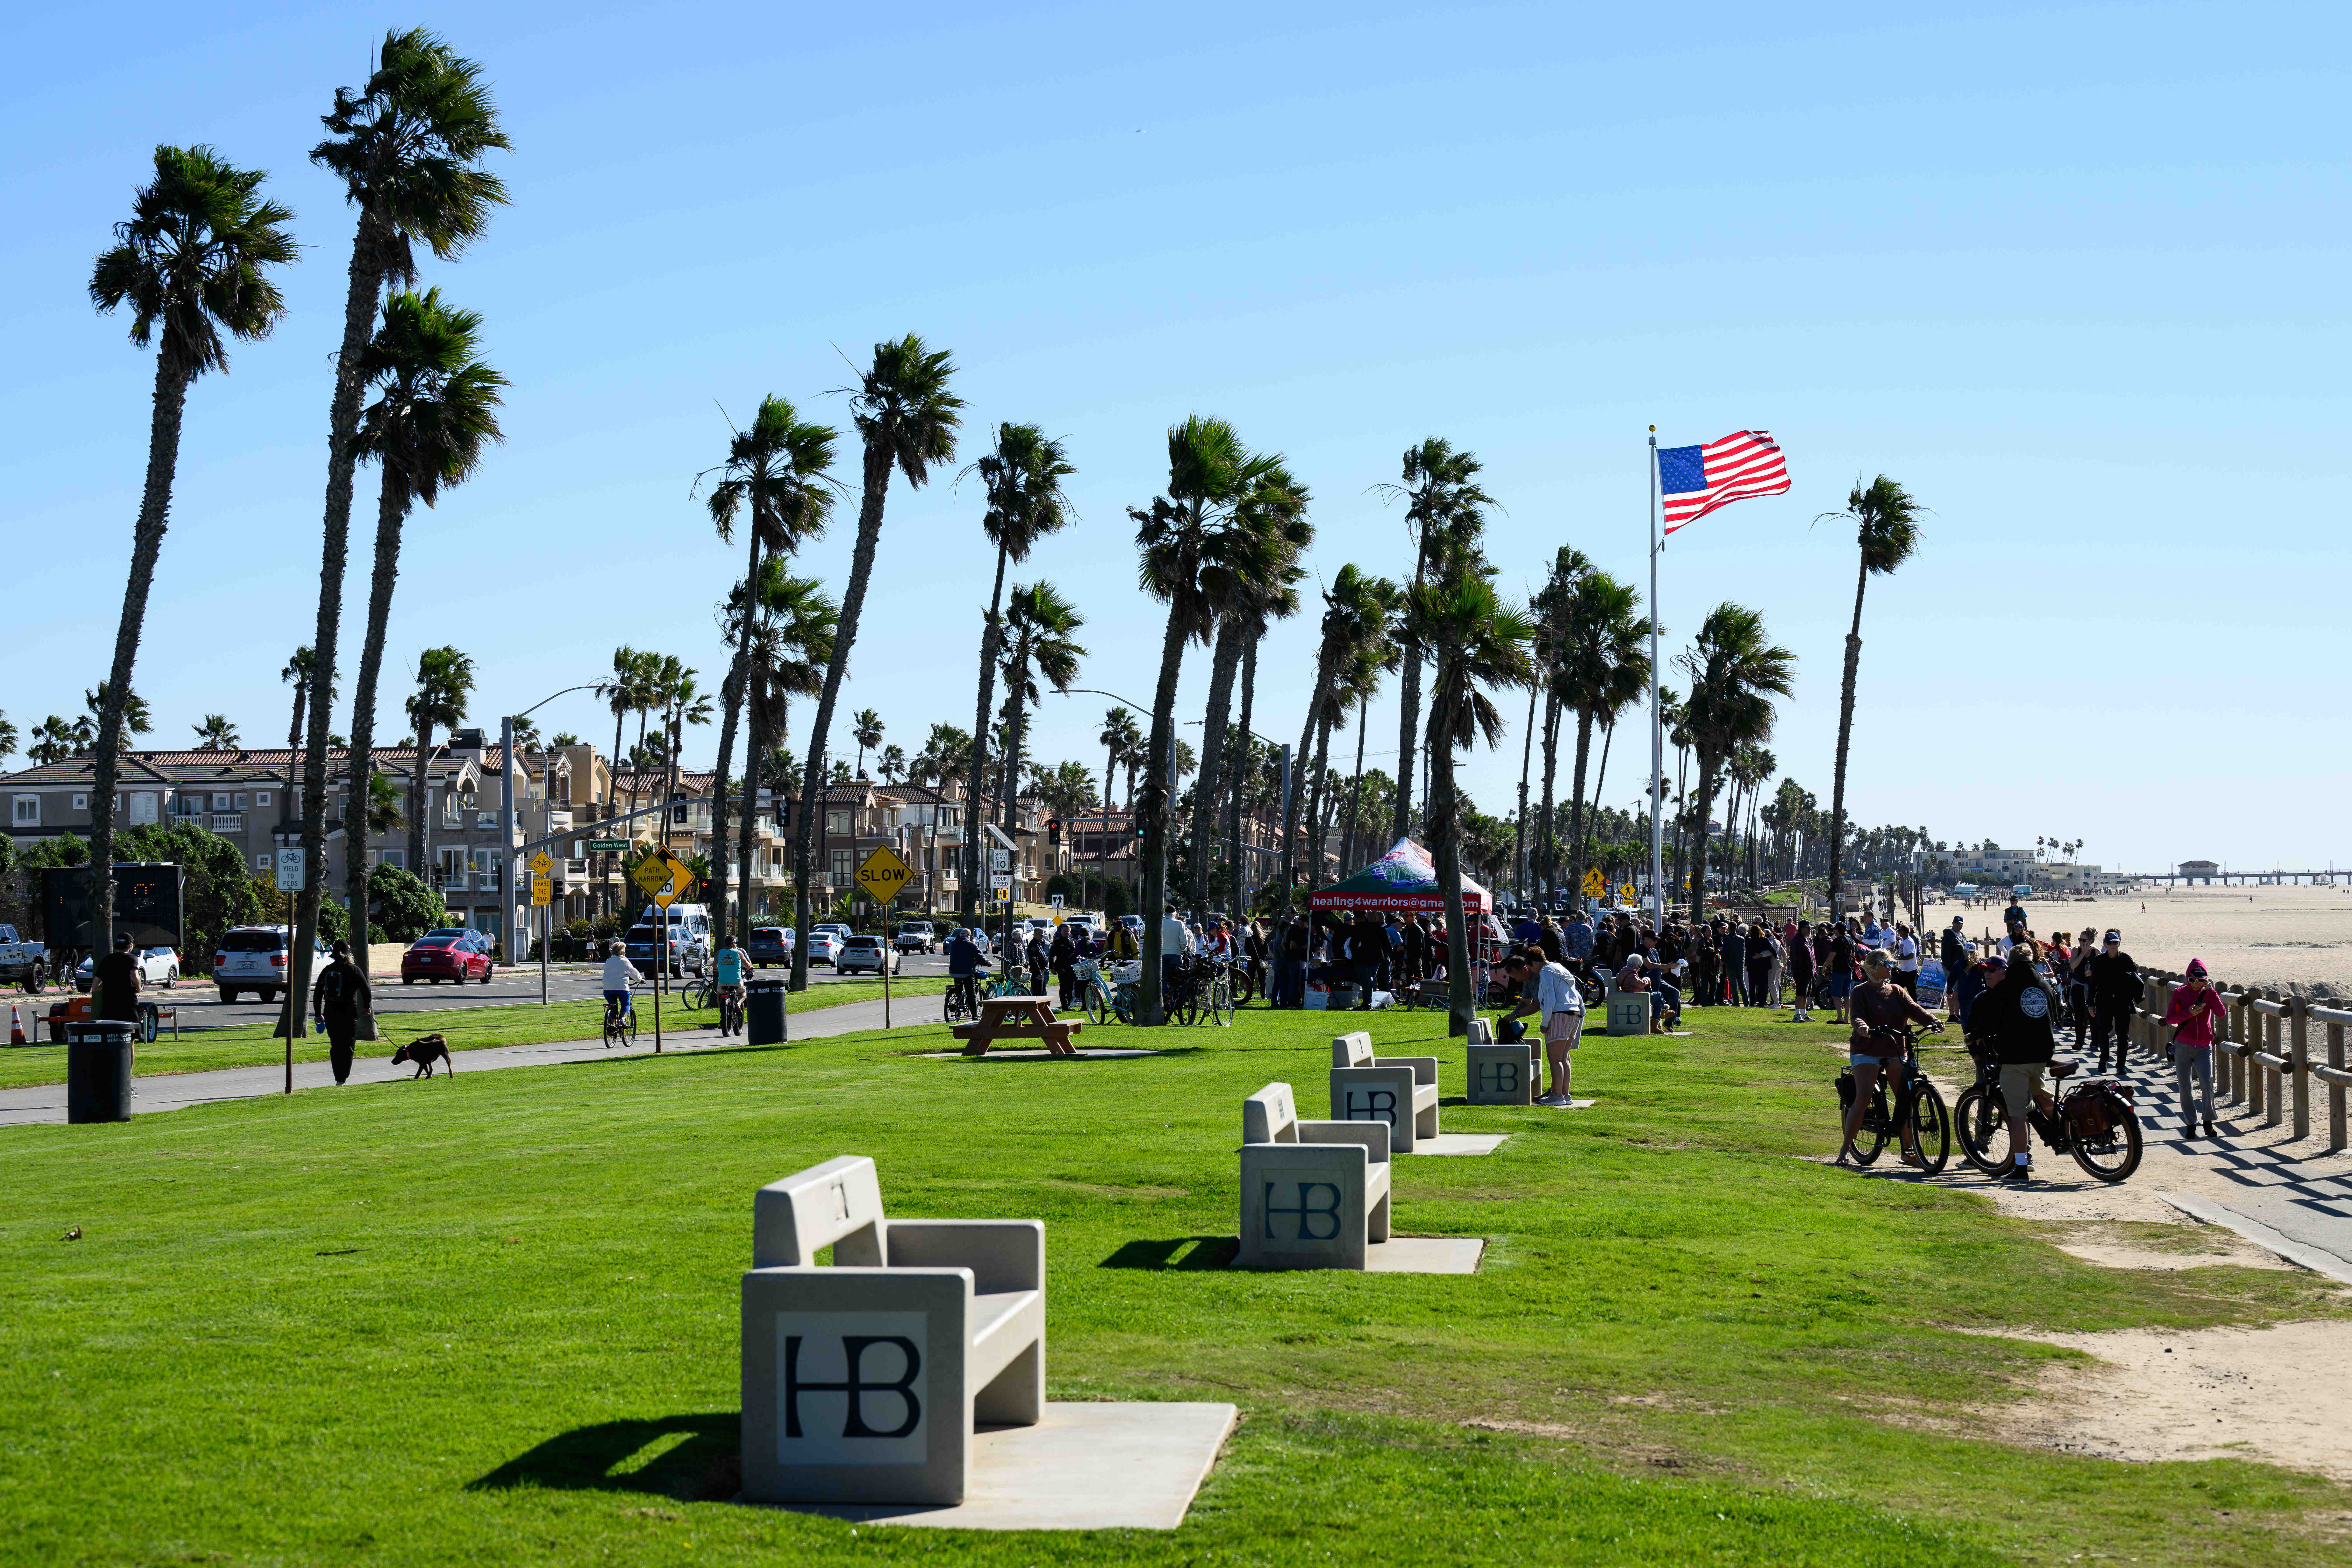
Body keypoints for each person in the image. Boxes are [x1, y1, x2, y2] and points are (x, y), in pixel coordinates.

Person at [1837, 950, 1945, 1166]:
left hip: (1895, 1048)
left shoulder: (1897, 990)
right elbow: (1856, 1016)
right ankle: (1844, 1150)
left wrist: (1933, 1020)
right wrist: (1863, 1028)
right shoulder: (1861, 991)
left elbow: (1914, 1009)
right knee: (1864, 1097)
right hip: (1866, 1049)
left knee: (1904, 1098)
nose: (1891, 966)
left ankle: (1908, 1152)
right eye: (1887, 963)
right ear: (1875, 967)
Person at [1967, 947, 2059, 1179]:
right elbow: (2055, 1015)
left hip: (2015, 1058)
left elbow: (1992, 1022)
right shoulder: (2044, 985)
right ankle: (2062, 1130)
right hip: (2042, 1056)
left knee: (2017, 1113)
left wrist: (1975, 1035)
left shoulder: (2006, 988)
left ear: (2010, 964)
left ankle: (2020, 1166)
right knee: (2040, 1094)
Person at [1499, 946, 1584, 1106]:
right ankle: (1565, 1096)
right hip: (1575, 1014)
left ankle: (1557, 1097)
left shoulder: (1544, 972)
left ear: (1533, 964)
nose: (1533, 970)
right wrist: (1514, 1014)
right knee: (1564, 1058)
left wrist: (1544, 1023)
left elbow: (1548, 1001)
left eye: (1531, 967)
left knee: (1555, 1060)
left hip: (1560, 1015)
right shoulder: (1558, 967)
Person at [2163, 958, 2227, 1139]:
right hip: (2183, 1046)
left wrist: (2212, 990)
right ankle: (2191, 1124)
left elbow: (2221, 1013)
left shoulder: (2208, 993)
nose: (2197, 984)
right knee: (2185, 1087)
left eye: (2201, 980)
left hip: (2204, 1047)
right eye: (2193, 980)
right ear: (2188, 979)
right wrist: (2189, 1013)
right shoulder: (2180, 993)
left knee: (2207, 1083)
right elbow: (2170, 1019)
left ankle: (2208, 1122)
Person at [310, 938, 372, 1083]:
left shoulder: (328, 970)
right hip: (349, 1014)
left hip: (331, 1014)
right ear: (348, 954)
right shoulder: (353, 969)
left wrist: (318, 1014)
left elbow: (318, 993)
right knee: (348, 1046)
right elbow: (366, 989)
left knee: (336, 1046)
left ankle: (338, 1077)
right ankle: (343, 1079)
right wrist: (367, 1006)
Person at [2087, 929, 2141, 1074]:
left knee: (2123, 1035)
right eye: (2110, 943)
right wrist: (2091, 1004)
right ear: (2105, 944)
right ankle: (2104, 1059)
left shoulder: (2126, 959)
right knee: (2103, 1032)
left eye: (2115, 943)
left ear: (2119, 943)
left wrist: (2135, 997)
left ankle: (2121, 1065)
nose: (2113, 945)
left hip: (2123, 1002)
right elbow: (2093, 983)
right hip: (2104, 1001)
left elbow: (2136, 980)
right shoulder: (2099, 961)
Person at [601, 939, 644, 1029]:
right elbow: (634, 973)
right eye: (624, 951)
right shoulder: (625, 961)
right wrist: (640, 980)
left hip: (608, 990)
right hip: (622, 989)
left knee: (613, 1007)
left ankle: (610, 1024)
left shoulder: (609, 961)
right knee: (626, 1005)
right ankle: (622, 1019)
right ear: (621, 952)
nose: (625, 953)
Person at [1825, 922, 1855, 1024]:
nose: (1834, 931)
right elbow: (1853, 954)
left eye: (1835, 930)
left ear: (1838, 930)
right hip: (1849, 970)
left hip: (1839, 971)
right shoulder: (1850, 940)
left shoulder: (1837, 941)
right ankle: (1847, 1018)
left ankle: (1840, 1018)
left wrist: (1825, 966)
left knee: (1836, 996)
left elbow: (1832, 956)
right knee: (1847, 996)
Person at [1789, 920, 1816, 1022]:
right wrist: (1799, 971)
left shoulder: (1808, 940)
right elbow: (1796, 958)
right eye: (1808, 928)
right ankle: (1797, 1014)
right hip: (1801, 972)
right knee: (1800, 993)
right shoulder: (1797, 940)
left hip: (1810, 972)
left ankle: (1804, 1013)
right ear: (1802, 928)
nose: (1810, 930)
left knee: (1806, 994)